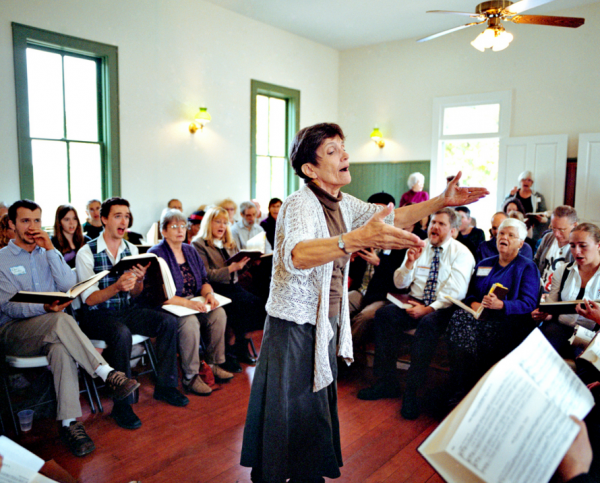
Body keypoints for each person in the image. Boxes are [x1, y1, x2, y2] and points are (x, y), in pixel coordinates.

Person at [240, 122, 488, 483]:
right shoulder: (299, 204)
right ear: (310, 169)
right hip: (293, 325)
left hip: (324, 321)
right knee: (286, 411)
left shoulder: (342, 203)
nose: (345, 154)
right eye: (332, 150)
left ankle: (307, 475)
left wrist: (440, 201)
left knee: (311, 411)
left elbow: (391, 217)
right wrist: (352, 240)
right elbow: (297, 255)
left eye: (343, 146)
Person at [0, 200, 138, 456]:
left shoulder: (46, 252)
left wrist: (51, 250)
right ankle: (106, 372)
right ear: (11, 224)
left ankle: (69, 424)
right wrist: (45, 309)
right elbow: (10, 307)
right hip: (14, 332)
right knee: (62, 320)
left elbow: (69, 285)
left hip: (52, 329)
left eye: (37, 221)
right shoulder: (2, 259)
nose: (32, 227)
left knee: (61, 348)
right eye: (25, 221)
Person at [76, 197, 188, 431]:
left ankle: (166, 386)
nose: (124, 221)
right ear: (103, 218)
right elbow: (89, 299)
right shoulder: (86, 253)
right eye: (118, 215)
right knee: (121, 333)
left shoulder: (131, 249)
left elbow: (135, 294)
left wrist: (138, 281)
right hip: (96, 315)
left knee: (167, 321)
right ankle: (122, 405)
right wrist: (116, 286)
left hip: (125, 309)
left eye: (127, 216)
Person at [357, 208, 476, 420]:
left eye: (441, 224)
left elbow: (455, 292)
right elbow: (399, 282)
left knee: (428, 324)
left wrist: (428, 309)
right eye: (432, 223)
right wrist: (410, 263)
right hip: (415, 301)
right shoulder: (419, 246)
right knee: (384, 315)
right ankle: (387, 382)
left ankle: (412, 391)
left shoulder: (461, 253)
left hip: (444, 307)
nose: (435, 227)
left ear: (454, 231)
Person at [447, 218, 539, 398]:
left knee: (463, 328)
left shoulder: (527, 267)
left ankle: (465, 388)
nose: (504, 237)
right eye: (502, 233)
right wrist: (474, 304)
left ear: (521, 243)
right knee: (458, 317)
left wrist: (502, 305)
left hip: (509, 323)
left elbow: (529, 303)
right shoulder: (484, 264)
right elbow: (472, 294)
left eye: (511, 235)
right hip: (480, 318)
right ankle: (465, 387)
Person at [148, 209, 233, 396]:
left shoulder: (189, 250)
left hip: (193, 301)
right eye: (174, 227)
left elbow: (203, 280)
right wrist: (189, 305)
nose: (180, 230)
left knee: (218, 313)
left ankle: (213, 364)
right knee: (190, 322)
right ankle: (191, 376)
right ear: (163, 231)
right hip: (170, 306)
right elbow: (159, 294)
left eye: (183, 226)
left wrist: (209, 294)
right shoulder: (156, 254)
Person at [192, 206, 266, 369]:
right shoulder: (199, 244)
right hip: (213, 289)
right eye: (217, 222)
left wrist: (248, 264)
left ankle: (241, 344)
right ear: (208, 223)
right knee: (237, 307)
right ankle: (228, 351)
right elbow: (206, 275)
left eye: (225, 223)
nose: (222, 226)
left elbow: (237, 270)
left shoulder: (229, 242)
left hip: (232, 286)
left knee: (256, 304)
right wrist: (232, 268)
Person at [535, 223, 600, 357]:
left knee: (585, 362)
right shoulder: (563, 270)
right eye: (572, 245)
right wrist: (544, 314)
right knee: (538, 349)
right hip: (560, 328)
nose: (576, 251)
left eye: (583, 245)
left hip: (592, 333)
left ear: (598, 245)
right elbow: (552, 307)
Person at [533, 206, 578, 294]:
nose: (556, 234)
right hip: (539, 290)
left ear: (574, 225)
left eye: (562, 229)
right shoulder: (548, 238)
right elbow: (535, 263)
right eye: (553, 228)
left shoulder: (578, 247)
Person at [505, 170, 548, 242]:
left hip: (531, 229)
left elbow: (543, 212)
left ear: (532, 183)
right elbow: (504, 207)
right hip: (514, 226)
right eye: (524, 179)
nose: (526, 182)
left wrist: (540, 218)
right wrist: (510, 195)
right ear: (520, 181)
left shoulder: (537, 196)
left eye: (529, 180)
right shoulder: (513, 194)